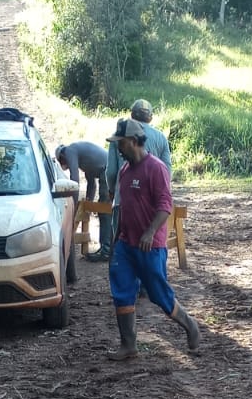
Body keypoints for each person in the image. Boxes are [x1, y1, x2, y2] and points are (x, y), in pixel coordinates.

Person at [107, 117, 200, 362]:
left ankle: (190, 325)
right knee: (121, 290)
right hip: (126, 244)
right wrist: (115, 240)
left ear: (133, 141)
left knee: (158, 294)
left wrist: (150, 232)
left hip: (149, 246)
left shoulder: (156, 168)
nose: (118, 148)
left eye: (121, 143)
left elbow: (165, 205)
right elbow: (124, 209)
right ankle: (128, 345)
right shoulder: (125, 171)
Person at [97, 99, 172, 261]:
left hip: (123, 200)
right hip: (153, 207)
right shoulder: (160, 138)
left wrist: (112, 191)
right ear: (150, 117)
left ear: (132, 114)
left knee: (122, 251)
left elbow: (111, 171)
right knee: (145, 257)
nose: (121, 150)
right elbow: (167, 173)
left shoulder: (121, 135)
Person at [56, 141, 109, 252]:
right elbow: (92, 184)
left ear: (62, 157)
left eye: (63, 162)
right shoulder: (86, 162)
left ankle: (106, 249)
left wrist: (73, 205)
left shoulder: (69, 151)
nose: (66, 165)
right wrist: (88, 203)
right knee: (105, 210)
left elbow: (74, 180)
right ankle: (107, 247)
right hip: (106, 168)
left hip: (107, 170)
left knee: (104, 210)